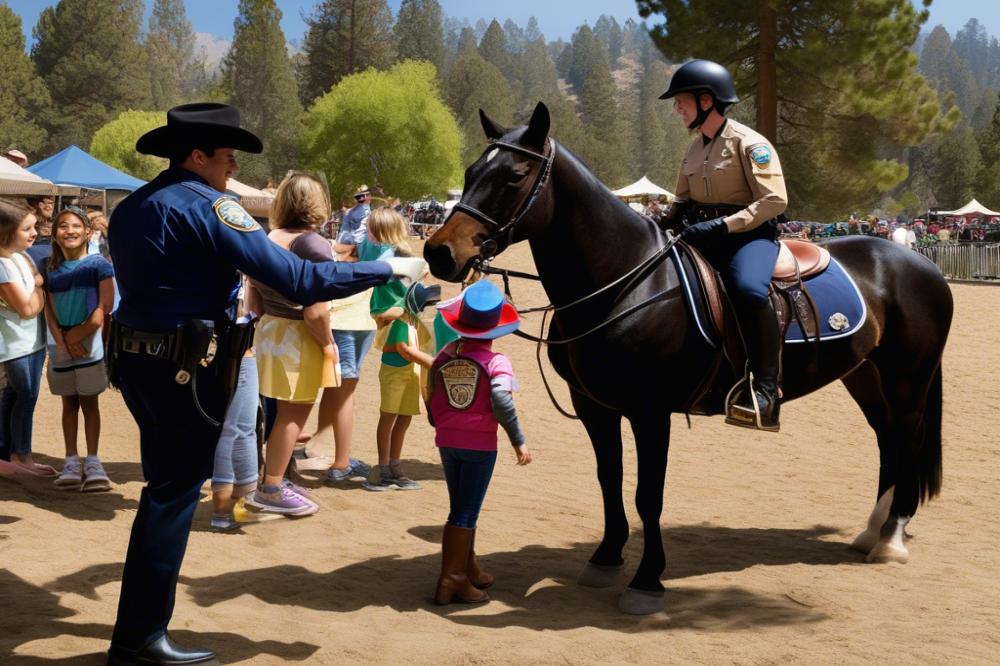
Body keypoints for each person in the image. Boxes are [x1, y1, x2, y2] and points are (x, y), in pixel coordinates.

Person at [105, 102, 426, 665]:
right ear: (198, 156)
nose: (232, 169)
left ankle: (138, 631)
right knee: (172, 497)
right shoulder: (212, 207)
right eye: (226, 157)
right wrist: (390, 269)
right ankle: (139, 638)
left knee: (162, 491)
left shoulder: (134, 205)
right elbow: (299, 280)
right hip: (185, 368)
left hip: (138, 362)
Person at [658, 59, 787, 432]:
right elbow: (679, 205)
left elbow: (774, 200)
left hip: (750, 238)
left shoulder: (750, 144)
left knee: (748, 290)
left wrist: (723, 226)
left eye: (680, 101)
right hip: (701, 237)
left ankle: (765, 390)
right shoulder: (693, 150)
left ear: (706, 101)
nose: (676, 108)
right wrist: (657, 224)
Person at [428, 280, 531, 605]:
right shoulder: (497, 362)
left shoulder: (445, 354)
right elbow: (501, 397)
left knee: (459, 504)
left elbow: (431, 386)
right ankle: (452, 578)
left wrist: (439, 420)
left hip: (447, 439)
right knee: (466, 511)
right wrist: (517, 439)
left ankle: (466, 565)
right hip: (479, 443)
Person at [247, 172, 345, 516]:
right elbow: (316, 311)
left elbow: (253, 301)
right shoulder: (313, 244)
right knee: (293, 415)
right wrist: (328, 344)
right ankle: (272, 485)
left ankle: (271, 479)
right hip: (299, 335)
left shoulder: (268, 237)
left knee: (276, 414)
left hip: (271, 331)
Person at [360, 207, 433, 491]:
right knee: (390, 416)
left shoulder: (398, 261)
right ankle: (383, 467)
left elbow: (421, 273)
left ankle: (394, 465)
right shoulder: (386, 264)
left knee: (403, 417)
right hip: (398, 351)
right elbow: (383, 318)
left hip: (406, 341)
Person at [43, 206, 115, 491]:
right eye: (63, 226)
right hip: (61, 346)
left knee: (89, 402)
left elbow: (104, 307)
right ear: (55, 234)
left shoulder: (99, 264)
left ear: (88, 232)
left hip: (89, 346)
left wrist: (75, 337)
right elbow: (48, 306)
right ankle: (71, 460)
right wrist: (62, 341)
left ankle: (93, 461)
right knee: (68, 403)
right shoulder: (49, 266)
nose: (69, 231)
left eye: (75, 226)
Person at [0, 196, 53, 476]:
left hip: (31, 342)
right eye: (27, 229)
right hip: (14, 345)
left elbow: (37, 285)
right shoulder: (2, 264)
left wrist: (36, 288)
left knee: (18, 396)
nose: (34, 233)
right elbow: (28, 308)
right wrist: (38, 289)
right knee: (25, 396)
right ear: (6, 231)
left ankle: (13, 453)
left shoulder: (20, 256)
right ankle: (21, 456)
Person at [334, 184, 372, 260]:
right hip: (357, 246)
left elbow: (344, 231)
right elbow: (360, 235)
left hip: (343, 242)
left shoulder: (348, 212)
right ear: (367, 198)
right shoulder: (367, 211)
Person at [24, 195, 54, 271]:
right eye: (48, 203)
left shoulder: (52, 223)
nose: (50, 207)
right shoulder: (30, 221)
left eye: (52, 203)